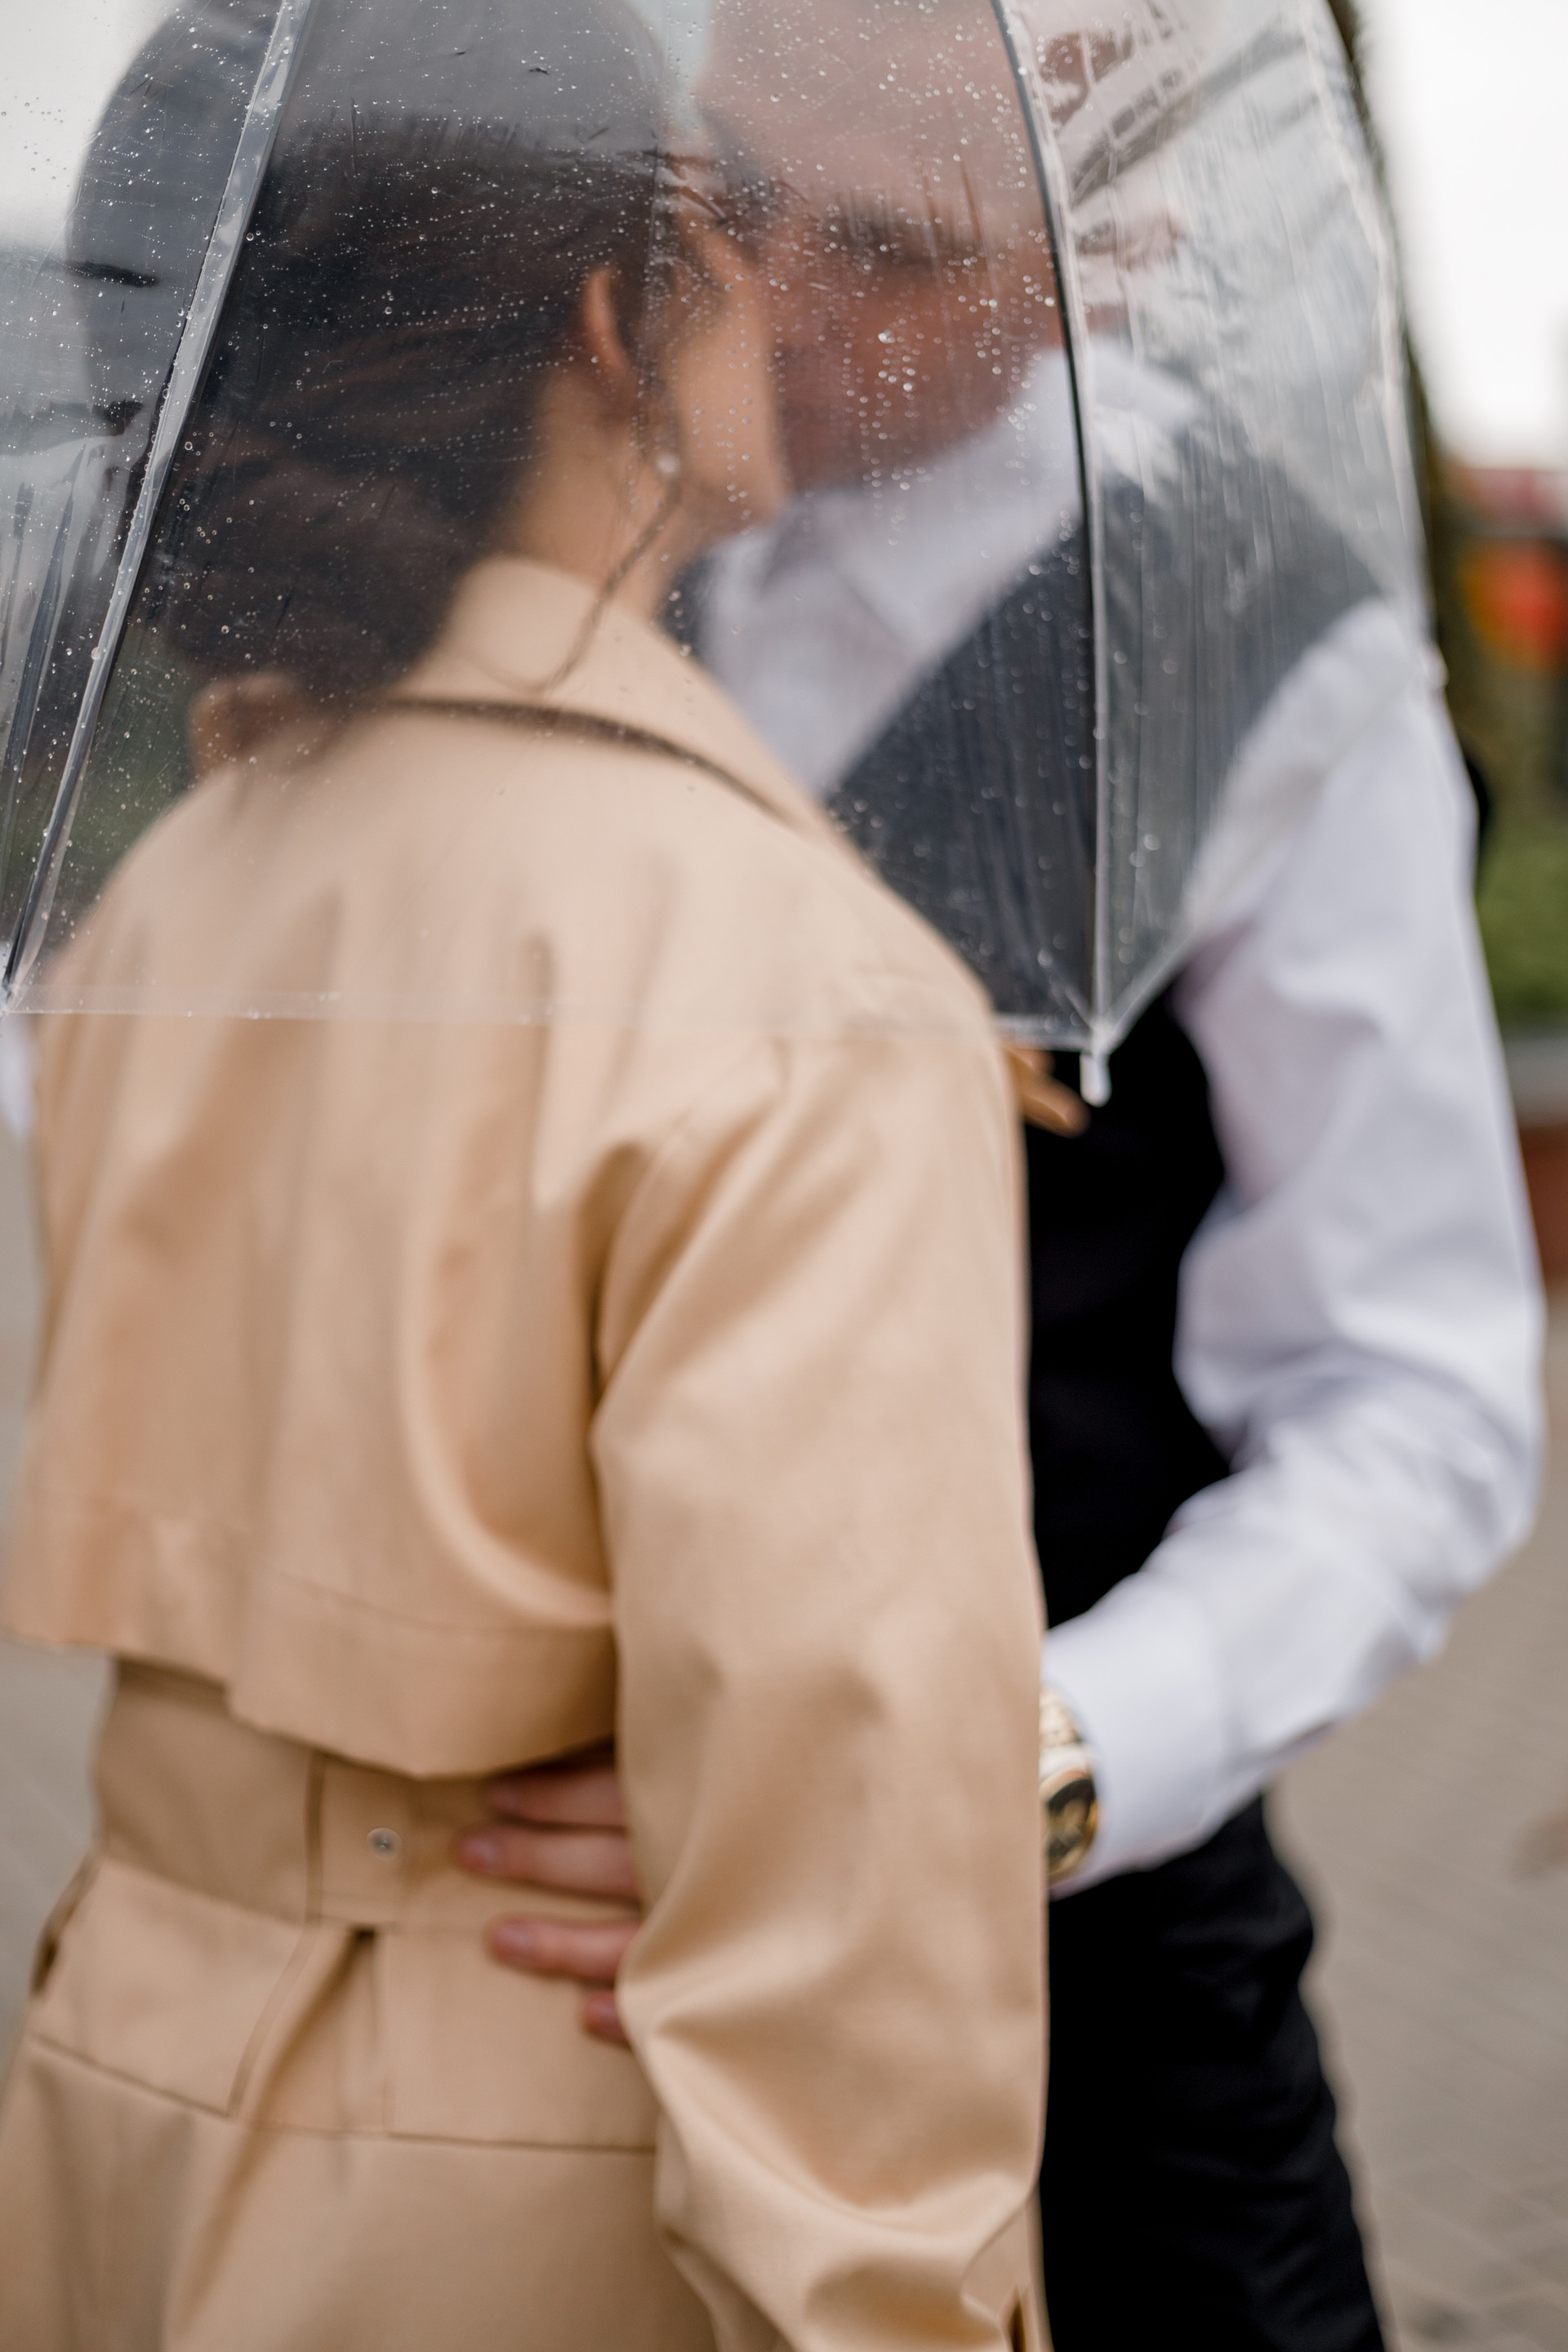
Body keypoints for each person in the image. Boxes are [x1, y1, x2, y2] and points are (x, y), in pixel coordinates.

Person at [457, 8, 1546, 2350]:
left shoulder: (1266, 649)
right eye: (734, 200)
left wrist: (1017, 1769)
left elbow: (1419, 1393)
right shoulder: (546, 551)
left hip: (1074, 1945)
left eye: (890, 248)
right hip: (542, 1919)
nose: (773, 297)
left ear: (1113, 249)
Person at [0, 6, 1049, 2347]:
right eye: (716, 214)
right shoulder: (792, 979)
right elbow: (854, 1885)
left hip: (112, 2114)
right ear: (602, 319)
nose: (771, 271)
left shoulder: (173, 895)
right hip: (535, 2175)